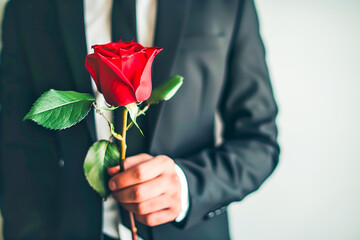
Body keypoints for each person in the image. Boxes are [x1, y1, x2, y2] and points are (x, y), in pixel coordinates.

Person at [0, 0, 279, 239]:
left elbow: (259, 141)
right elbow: (15, 147)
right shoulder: (28, 8)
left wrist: (188, 186)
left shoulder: (228, 4)